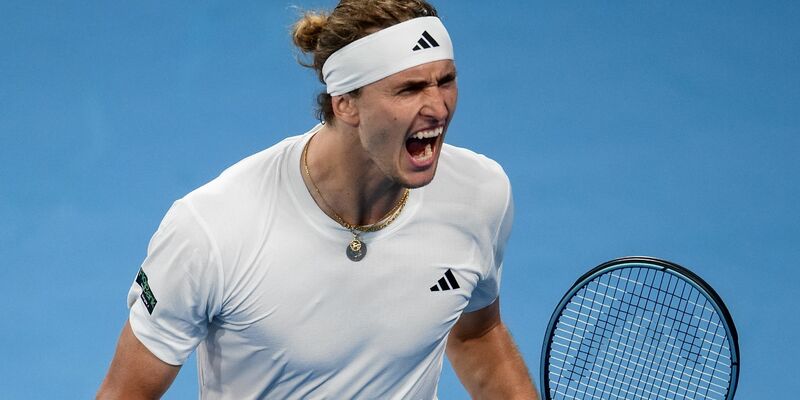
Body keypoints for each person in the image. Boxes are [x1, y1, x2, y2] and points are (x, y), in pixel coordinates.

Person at [97, 1, 539, 399]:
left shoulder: (479, 194)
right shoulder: (210, 230)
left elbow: (476, 334)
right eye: (409, 89)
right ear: (345, 104)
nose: (439, 108)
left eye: (446, 81)